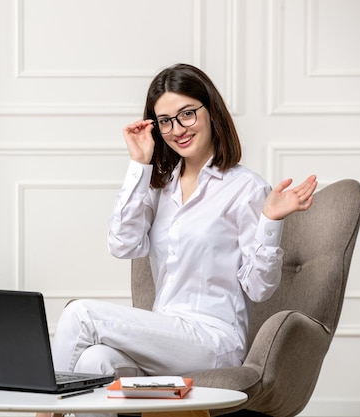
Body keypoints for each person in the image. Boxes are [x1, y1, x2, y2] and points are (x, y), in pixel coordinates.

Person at [40, 63, 317, 417]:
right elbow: (123, 244)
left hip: (213, 341)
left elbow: (260, 288)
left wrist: (270, 220)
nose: (178, 129)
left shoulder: (245, 187)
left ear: (210, 110)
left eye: (187, 114)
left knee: (80, 314)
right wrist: (140, 164)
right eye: (166, 121)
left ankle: (43, 413)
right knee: (95, 360)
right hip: (164, 335)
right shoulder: (161, 186)